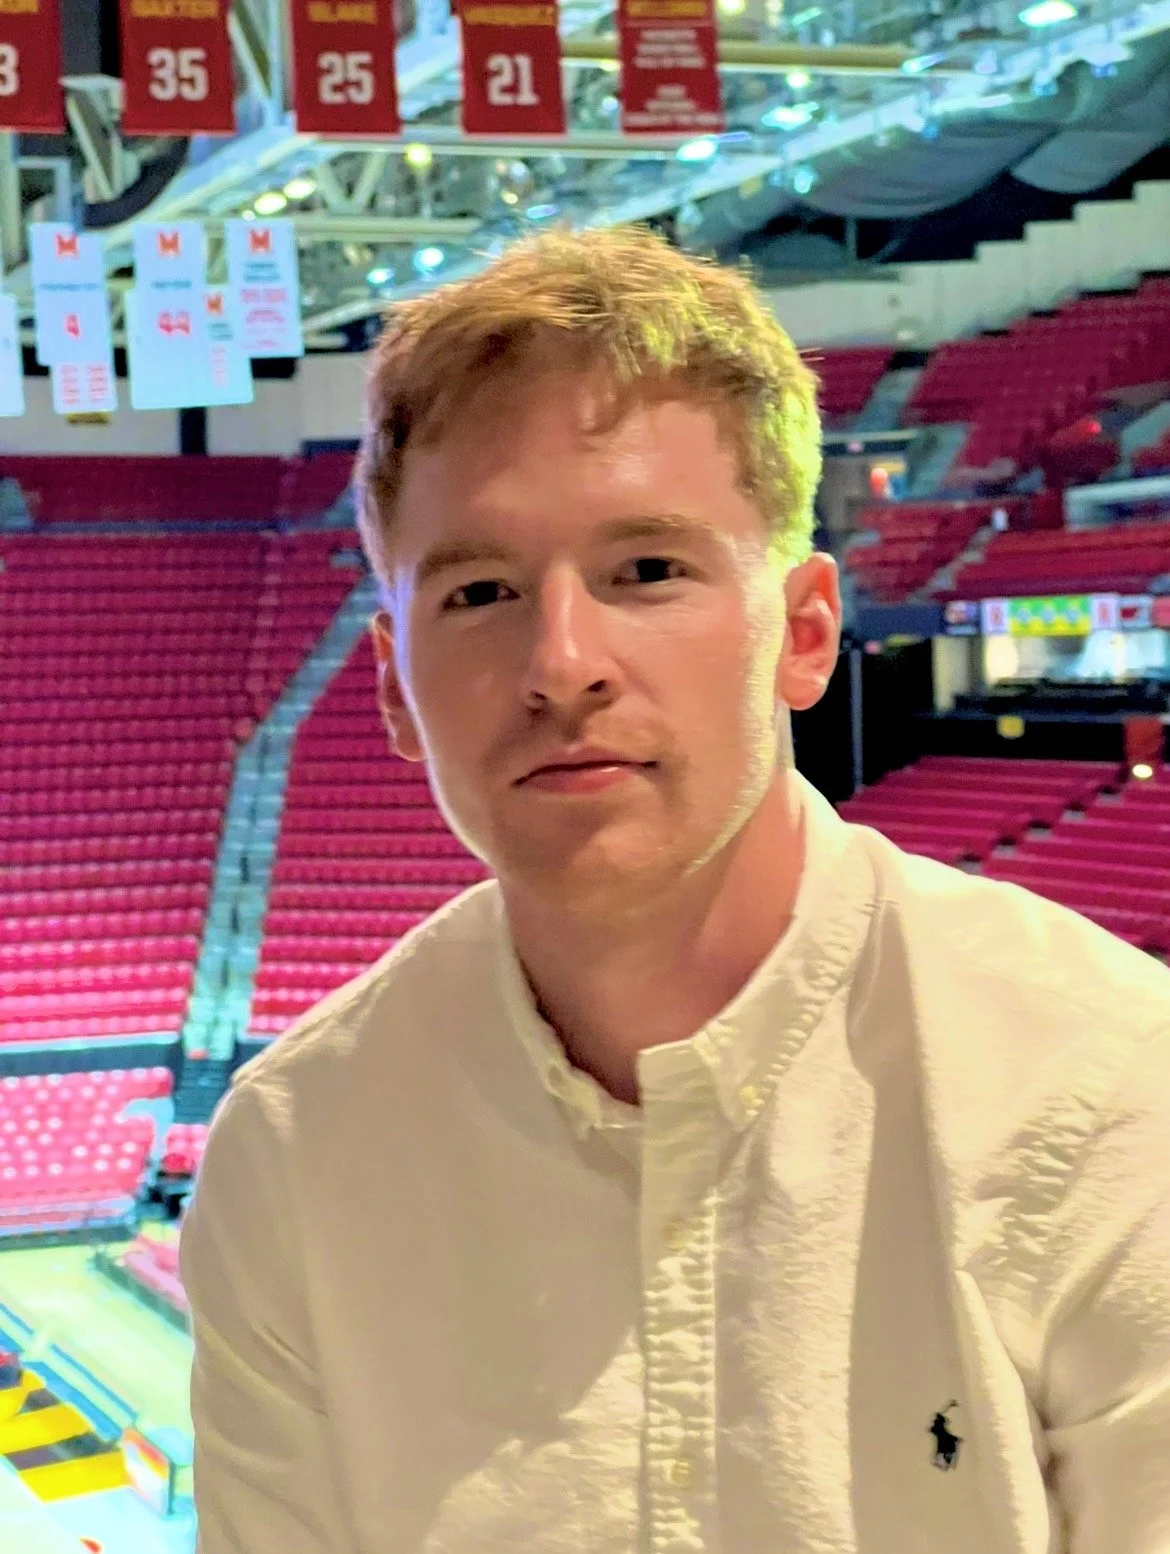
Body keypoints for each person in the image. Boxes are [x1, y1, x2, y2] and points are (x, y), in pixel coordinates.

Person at [180, 225, 1170, 1554]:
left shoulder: (1108, 1093)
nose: (561, 660)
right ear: (392, 691)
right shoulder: (297, 1156)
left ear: (803, 632)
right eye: (478, 588)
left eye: (647, 569)